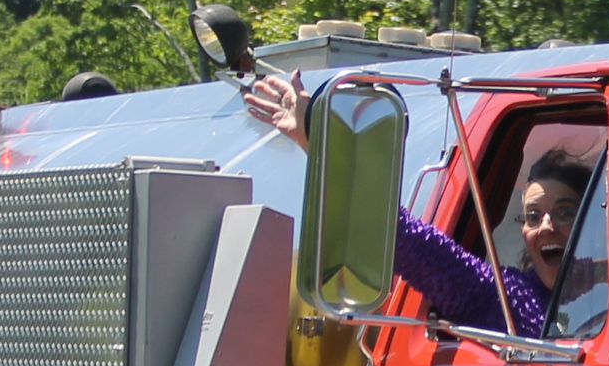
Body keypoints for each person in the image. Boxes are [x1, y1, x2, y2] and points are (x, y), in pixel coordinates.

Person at [247, 71, 589, 338]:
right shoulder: (505, 298)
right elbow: (398, 233)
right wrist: (325, 146)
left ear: (596, 224)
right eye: (533, 216)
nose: (546, 226)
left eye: (565, 212)